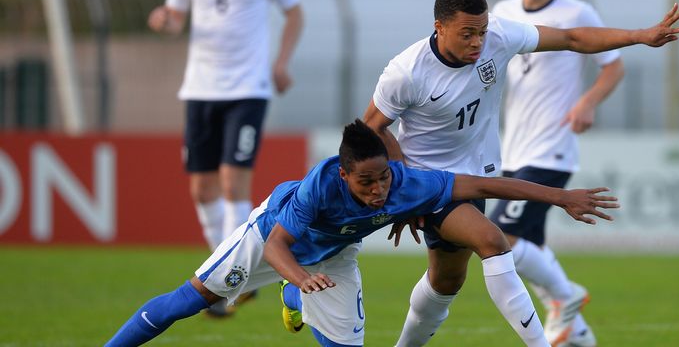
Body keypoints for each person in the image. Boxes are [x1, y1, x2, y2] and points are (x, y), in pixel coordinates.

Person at [361, 0, 679, 347]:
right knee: (494, 241)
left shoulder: (499, 35)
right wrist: (403, 182)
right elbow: (371, 128)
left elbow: (572, 39)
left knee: (446, 280)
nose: (477, 43)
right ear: (439, 27)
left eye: (481, 32)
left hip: (473, 176)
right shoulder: (406, 72)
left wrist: (639, 36)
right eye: (467, 34)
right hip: (427, 182)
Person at [105, 119, 619, 347]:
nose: (378, 191)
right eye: (366, 182)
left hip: (331, 259)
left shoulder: (406, 183)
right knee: (189, 300)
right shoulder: (317, 187)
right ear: (344, 174)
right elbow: (281, 244)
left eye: (384, 179)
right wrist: (301, 279)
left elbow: (484, 182)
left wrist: (562, 197)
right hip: (270, 240)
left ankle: (297, 294)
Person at [146, 0, 303, 316]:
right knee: (202, 189)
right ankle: (224, 268)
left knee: (234, 180)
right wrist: (166, 20)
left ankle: (235, 277)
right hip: (200, 89)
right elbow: (177, 16)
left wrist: (281, 63)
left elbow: (294, 12)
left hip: (248, 89)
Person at [487, 0, 624, 347]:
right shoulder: (502, 11)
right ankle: (578, 334)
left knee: (500, 238)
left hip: (552, 150)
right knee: (528, 246)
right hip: (511, 150)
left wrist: (588, 102)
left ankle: (566, 297)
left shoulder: (577, 13)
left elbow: (613, 65)